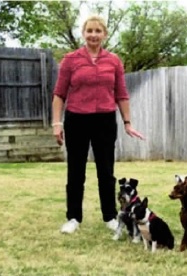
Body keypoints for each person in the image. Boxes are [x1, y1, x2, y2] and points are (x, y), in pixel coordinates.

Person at [52, 15, 145, 234]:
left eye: (98, 31)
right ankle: (73, 218)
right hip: (76, 120)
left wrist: (128, 122)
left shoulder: (113, 61)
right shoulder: (70, 60)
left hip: (104, 120)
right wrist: (57, 123)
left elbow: (121, 94)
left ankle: (110, 216)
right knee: (76, 172)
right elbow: (59, 94)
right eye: (89, 31)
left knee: (106, 172)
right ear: (83, 33)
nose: (93, 35)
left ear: (104, 34)